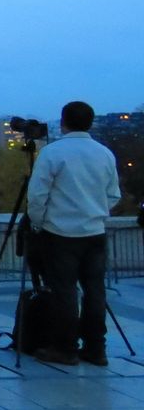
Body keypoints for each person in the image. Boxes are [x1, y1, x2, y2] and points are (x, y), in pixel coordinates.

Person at [27, 101, 121, 366]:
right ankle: (96, 348)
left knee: (64, 291)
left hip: (60, 233)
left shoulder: (53, 153)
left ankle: (65, 347)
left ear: (63, 121)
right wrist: (95, 211)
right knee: (95, 290)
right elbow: (113, 194)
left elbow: (37, 196)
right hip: (95, 231)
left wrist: (40, 222)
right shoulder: (104, 153)